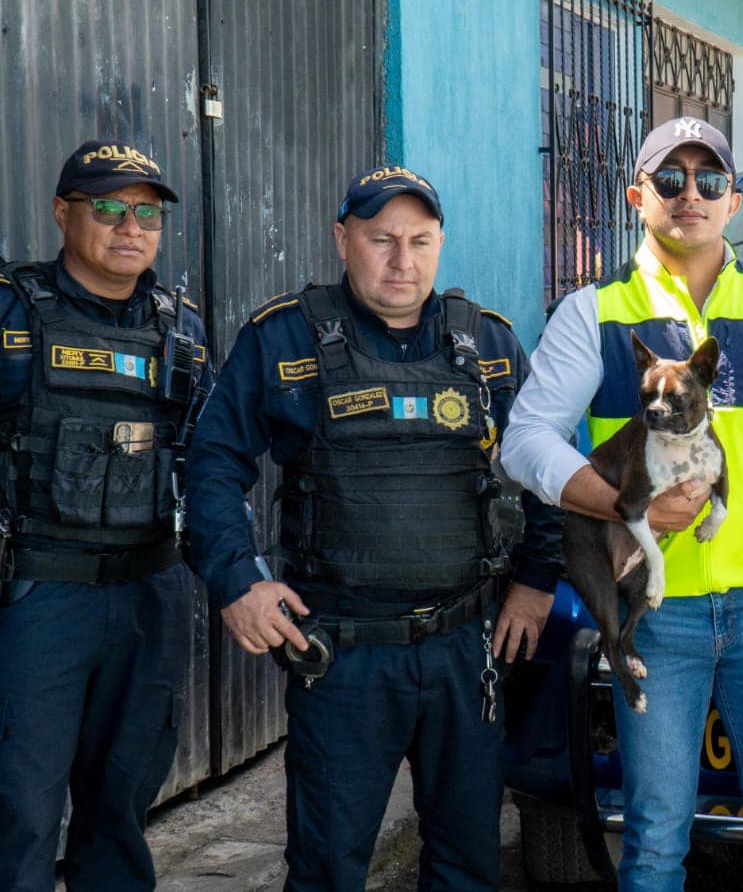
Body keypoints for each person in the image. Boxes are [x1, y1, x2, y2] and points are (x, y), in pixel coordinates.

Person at [183, 166, 562, 891]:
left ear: (440, 244)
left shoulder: (486, 343)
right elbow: (210, 465)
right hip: (344, 656)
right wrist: (239, 582)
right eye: (381, 240)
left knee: (469, 864)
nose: (402, 260)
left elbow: (543, 463)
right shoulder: (283, 339)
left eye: (420, 241)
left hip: (464, 649)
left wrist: (537, 582)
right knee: (328, 868)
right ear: (342, 240)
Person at [499, 116, 743, 891]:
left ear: (733, 202)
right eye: (670, 178)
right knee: (655, 843)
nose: (691, 193)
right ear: (637, 196)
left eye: (711, 179)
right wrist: (629, 508)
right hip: (657, 620)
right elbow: (525, 442)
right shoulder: (593, 312)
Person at [0, 140, 209, 891]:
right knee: (19, 807)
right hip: (37, 596)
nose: (130, 228)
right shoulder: (12, 311)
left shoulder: (180, 328)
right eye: (109, 208)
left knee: (121, 808)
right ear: (63, 213)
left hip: (148, 595)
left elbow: (205, 461)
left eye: (146, 213)